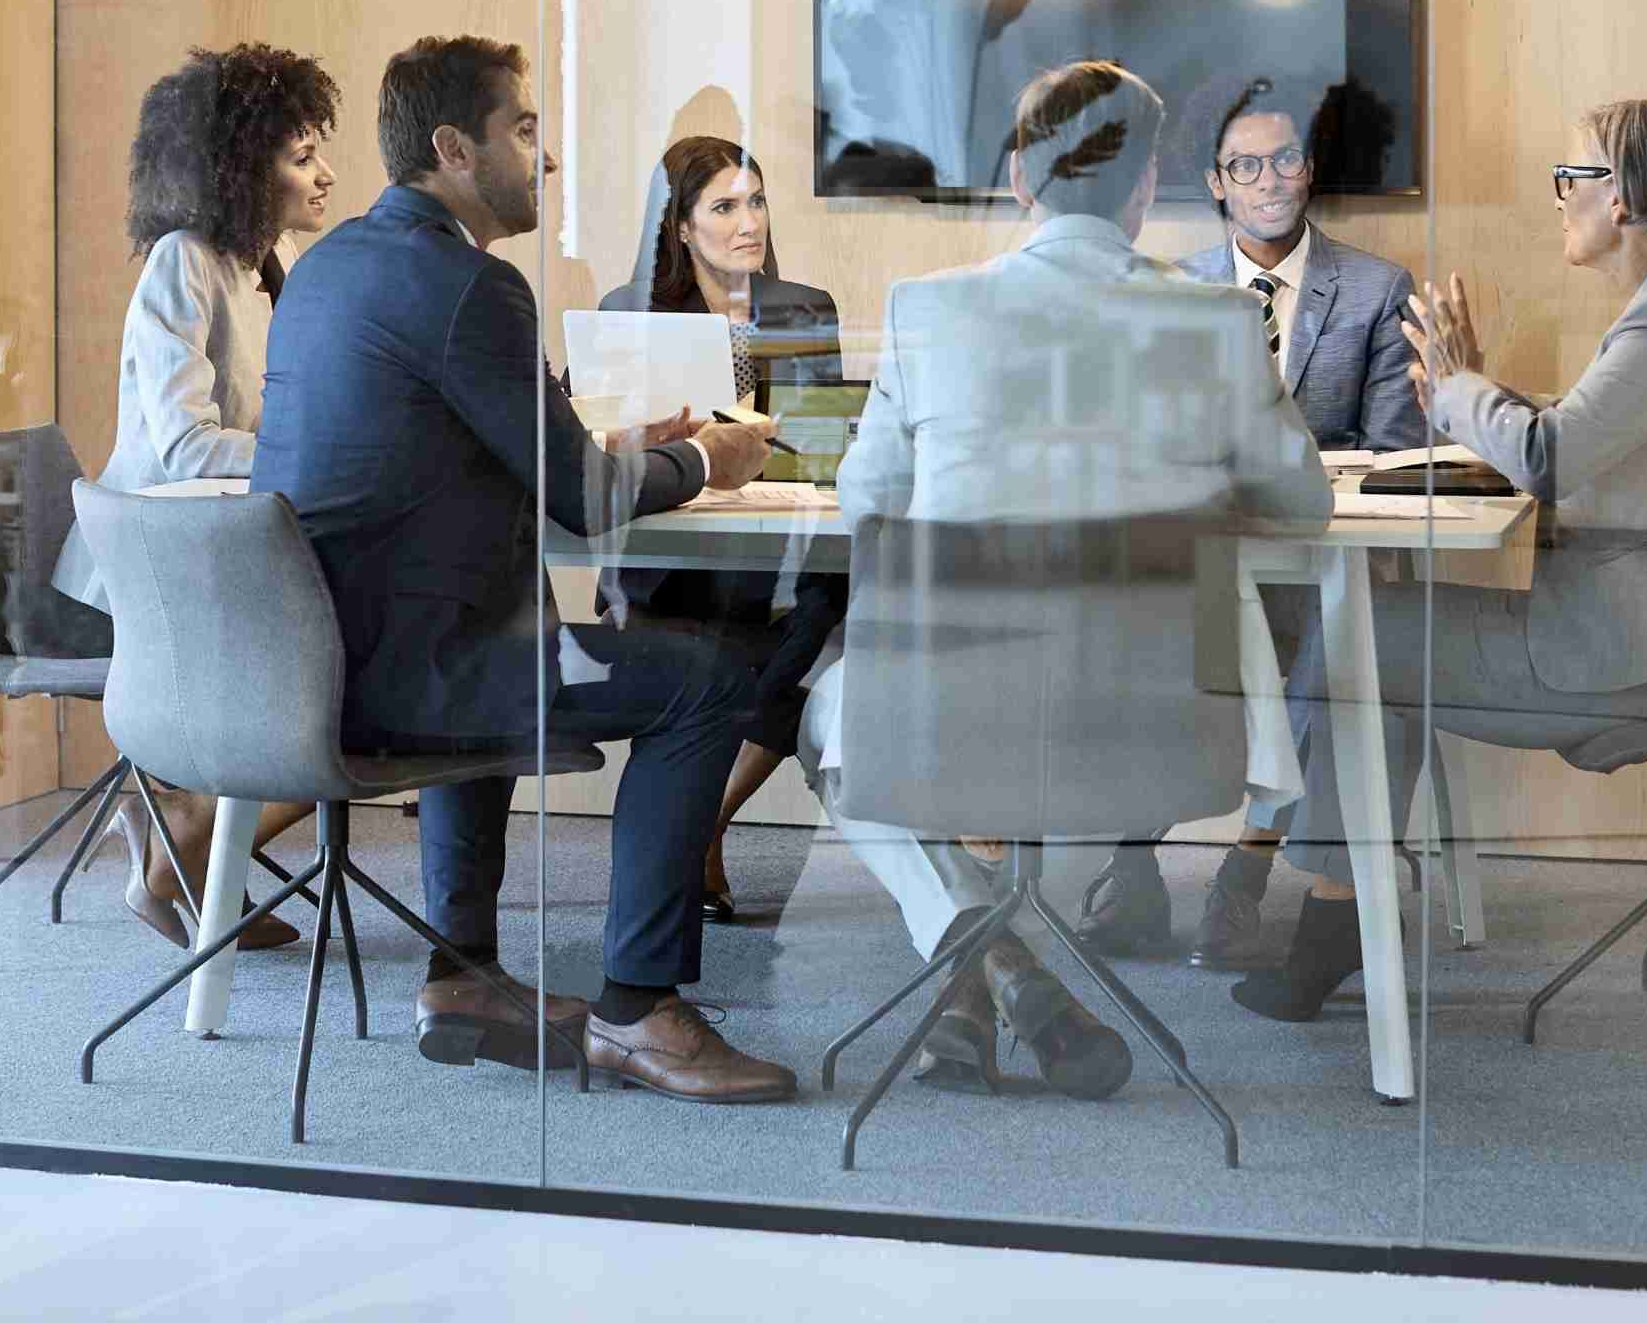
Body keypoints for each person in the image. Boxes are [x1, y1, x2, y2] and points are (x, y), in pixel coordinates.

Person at [250, 35, 800, 1104]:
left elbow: (470, 447)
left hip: (322, 657)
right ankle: (642, 1009)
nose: (545, 160)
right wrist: (707, 457)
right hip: (416, 675)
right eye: (526, 130)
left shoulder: (332, 266)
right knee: (715, 674)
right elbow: (583, 505)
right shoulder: (471, 285)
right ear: (455, 148)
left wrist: (635, 441)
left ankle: (462, 977)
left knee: (508, 619)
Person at [799, 61, 1332, 1099]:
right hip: (1158, 731)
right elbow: (1302, 504)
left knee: (830, 715)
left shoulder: (927, 310)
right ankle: (1005, 968)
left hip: (955, 716)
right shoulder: (1215, 318)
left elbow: (869, 505)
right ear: (1148, 189)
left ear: (1016, 180)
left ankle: (981, 955)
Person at [1233, 97, 1647, 1022]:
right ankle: (1333, 916)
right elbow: (1581, 435)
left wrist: (1459, 391)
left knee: (1362, 643)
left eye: (1571, 179)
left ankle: (1316, 913)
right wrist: (1471, 393)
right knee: (1372, 637)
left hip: (1645, 661)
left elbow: (1551, 455)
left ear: (1625, 197)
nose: (1558, 199)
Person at [1077, 79, 1426, 965]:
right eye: (1246, 165)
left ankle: (1249, 866)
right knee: (1124, 634)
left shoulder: (1378, 289)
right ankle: (1131, 863)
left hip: (1317, 560)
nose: (1269, 178)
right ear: (1217, 182)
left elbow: (1391, 454)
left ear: (1308, 171)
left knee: (1332, 648)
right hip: (1196, 561)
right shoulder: (1163, 287)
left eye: (1284, 159)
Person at [52, 43, 342, 954]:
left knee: (356, 665)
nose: (325, 173)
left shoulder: (274, 260)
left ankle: (188, 851)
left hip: (224, 545)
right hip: (155, 565)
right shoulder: (184, 261)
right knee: (348, 691)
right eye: (300, 157)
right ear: (240, 167)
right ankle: (184, 848)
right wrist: (315, 452)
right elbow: (182, 445)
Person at [598, 137, 849, 922]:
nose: (751, 223)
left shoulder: (804, 306)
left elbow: (825, 442)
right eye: (726, 207)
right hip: (671, 542)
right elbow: (589, 441)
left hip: (778, 534)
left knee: (827, 595)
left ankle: (703, 821)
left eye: (758, 201)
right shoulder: (629, 312)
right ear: (679, 226)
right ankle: (692, 830)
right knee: (722, 625)